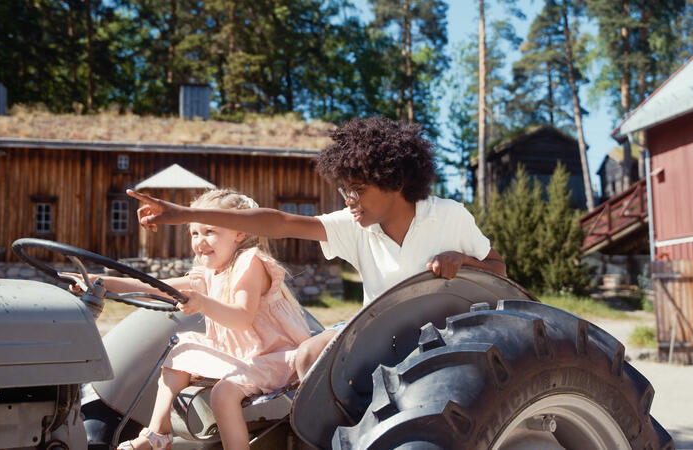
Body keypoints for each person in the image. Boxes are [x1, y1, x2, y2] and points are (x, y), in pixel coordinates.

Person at [127, 116, 506, 381]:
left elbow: (498, 269)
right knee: (308, 355)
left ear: (393, 180)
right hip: (380, 331)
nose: (349, 199)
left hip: (443, 335)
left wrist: (463, 260)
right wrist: (181, 213)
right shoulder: (354, 226)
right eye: (345, 190)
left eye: (358, 189)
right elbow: (279, 222)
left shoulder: (448, 216)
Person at [76, 189, 311, 450]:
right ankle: (158, 433)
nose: (200, 241)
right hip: (245, 357)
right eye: (194, 233)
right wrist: (98, 282)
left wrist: (203, 303)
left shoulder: (250, 262)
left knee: (223, 394)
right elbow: (153, 287)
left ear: (239, 232)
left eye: (210, 231)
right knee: (183, 347)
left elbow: (241, 317)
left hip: (277, 358)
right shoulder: (209, 273)